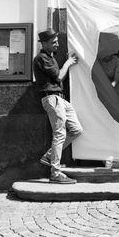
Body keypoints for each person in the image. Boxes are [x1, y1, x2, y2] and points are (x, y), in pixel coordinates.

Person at [33, 28, 82, 184]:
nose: (57, 44)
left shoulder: (50, 57)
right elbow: (59, 76)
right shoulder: (42, 58)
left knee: (76, 130)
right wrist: (68, 62)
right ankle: (55, 173)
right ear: (45, 43)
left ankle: (49, 156)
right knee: (59, 134)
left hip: (60, 99)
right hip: (52, 98)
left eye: (57, 41)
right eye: (53, 42)